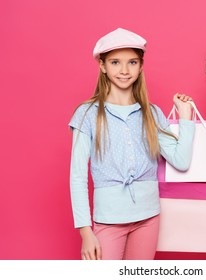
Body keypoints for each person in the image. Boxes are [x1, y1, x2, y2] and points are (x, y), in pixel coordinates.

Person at [69, 28, 195, 260]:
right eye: (115, 62)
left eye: (132, 62)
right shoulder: (87, 114)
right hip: (108, 218)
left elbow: (181, 161)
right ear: (102, 66)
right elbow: (77, 177)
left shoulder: (153, 113)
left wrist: (185, 118)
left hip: (149, 217)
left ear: (141, 66)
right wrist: (85, 231)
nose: (124, 70)